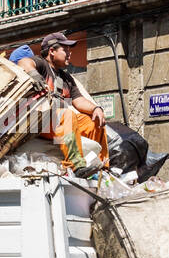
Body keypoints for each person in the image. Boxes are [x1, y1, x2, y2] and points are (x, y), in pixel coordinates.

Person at [12, 32, 107, 172]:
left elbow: (78, 100)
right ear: (51, 51)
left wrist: (96, 109)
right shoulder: (41, 64)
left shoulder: (66, 77)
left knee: (94, 122)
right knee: (67, 115)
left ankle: (101, 167)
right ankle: (75, 164)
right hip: (40, 121)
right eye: (65, 50)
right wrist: (33, 74)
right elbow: (23, 62)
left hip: (58, 120)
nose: (70, 53)